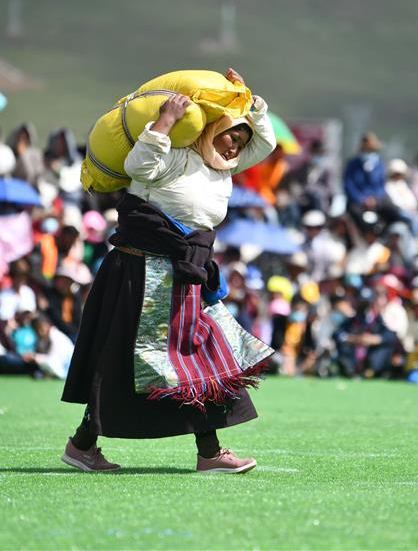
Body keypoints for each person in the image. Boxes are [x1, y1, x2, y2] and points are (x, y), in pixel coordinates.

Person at [61, 68, 276, 474]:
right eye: (233, 135)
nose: (237, 147)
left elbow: (266, 143)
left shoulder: (223, 168)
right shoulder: (177, 154)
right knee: (128, 364)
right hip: (140, 271)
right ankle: (85, 444)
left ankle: (206, 452)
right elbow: (138, 167)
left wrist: (250, 102)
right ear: (212, 129)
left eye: (242, 142)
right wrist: (165, 122)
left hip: (185, 274)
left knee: (202, 356)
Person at [343, 132, 386, 218]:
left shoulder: (379, 164)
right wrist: (362, 199)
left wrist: (375, 198)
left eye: (371, 150)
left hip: (376, 201)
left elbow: (381, 185)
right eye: (367, 150)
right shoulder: (353, 164)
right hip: (357, 202)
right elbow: (349, 185)